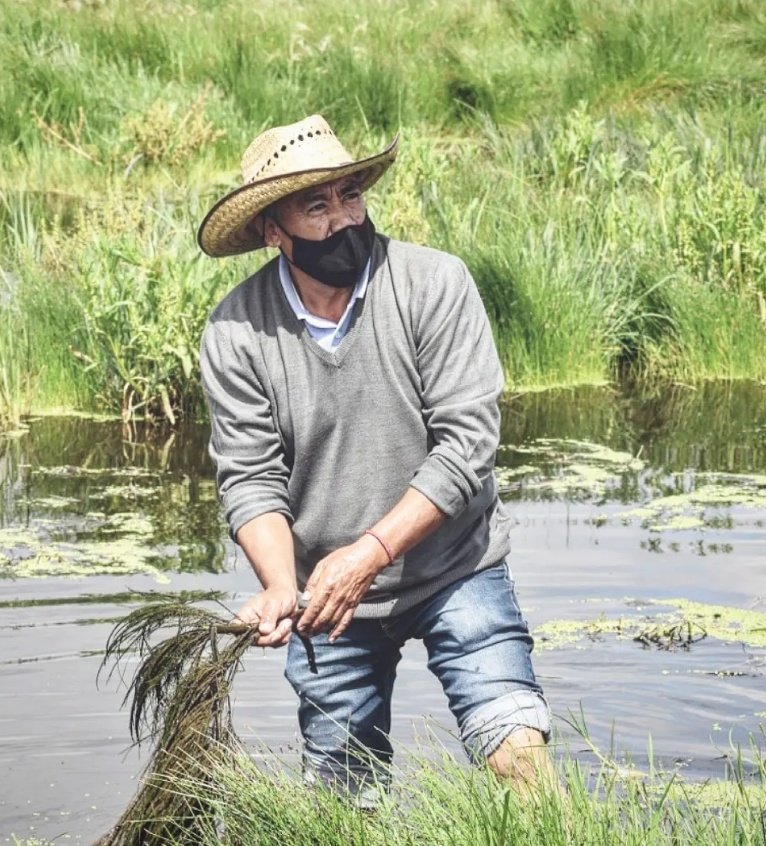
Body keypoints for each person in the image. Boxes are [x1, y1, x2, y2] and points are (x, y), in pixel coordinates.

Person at [196, 115, 552, 802]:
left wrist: (367, 555)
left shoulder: (432, 284)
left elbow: (466, 446)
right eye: (316, 206)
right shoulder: (236, 330)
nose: (343, 220)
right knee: (342, 797)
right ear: (273, 230)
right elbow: (249, 476)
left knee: (516, 754)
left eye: (350, 195)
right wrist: (278, 584)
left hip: (454, 566)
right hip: (327, 599)